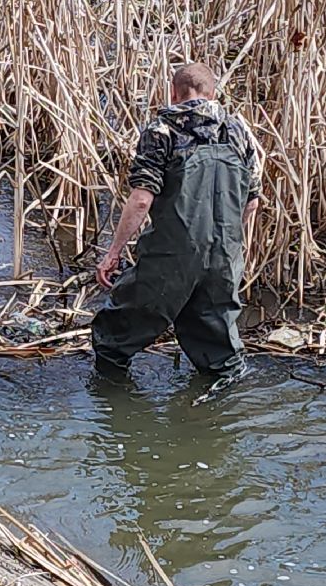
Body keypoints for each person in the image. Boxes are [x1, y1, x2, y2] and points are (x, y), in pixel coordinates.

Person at [91, 63, 262, 383]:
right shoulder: (240, 132)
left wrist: (113, 252)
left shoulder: (161, 132)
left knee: (114, 336)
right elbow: (251, 201)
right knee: (219, 352)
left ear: (173, 94)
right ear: (213, 94)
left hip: (173, 254)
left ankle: (112, 405)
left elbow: (142, 200)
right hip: (225, 253)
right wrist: (231, 246)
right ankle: (217, 416)